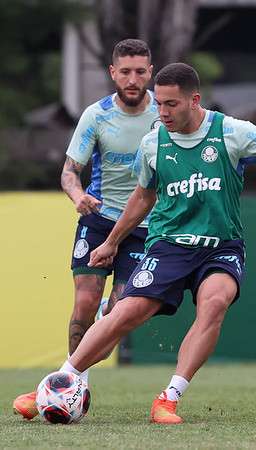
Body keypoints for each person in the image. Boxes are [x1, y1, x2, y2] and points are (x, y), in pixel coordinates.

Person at [45, 62, 256, 424]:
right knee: (125, 313)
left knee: (215, 302)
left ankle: (169, 398)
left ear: (194, 100)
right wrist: (112, 241)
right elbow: (143, 199)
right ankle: (60, 380)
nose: (161, 112)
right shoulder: (153, 143)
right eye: (159, 104)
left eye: (171, 105)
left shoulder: (232, 132)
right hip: (169, 245)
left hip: (221, 246)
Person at [13, 39, 158, 420]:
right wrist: (77, 196)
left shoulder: (165, 112)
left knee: (118, 311)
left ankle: (62, 379)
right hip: (98, 218)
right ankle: (77, 387)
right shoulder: (96, 115)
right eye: (124, 71)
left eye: (140, 71)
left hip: (146, 227)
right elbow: (69, 172)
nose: (132, 79)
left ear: (150, 72)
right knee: (85, 303)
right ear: (112, 73)